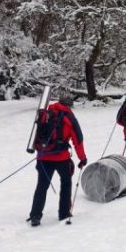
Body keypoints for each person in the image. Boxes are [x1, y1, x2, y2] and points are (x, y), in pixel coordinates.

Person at [28, 95, 87, 227]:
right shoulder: (69, 117)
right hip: (61, 158)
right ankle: (64, 213)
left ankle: (35, 215)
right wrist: (82, 158)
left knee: (42, 186)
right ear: (69, 105)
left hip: (43, 157)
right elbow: (78, 140)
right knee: (66, 183)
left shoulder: (46, 113)